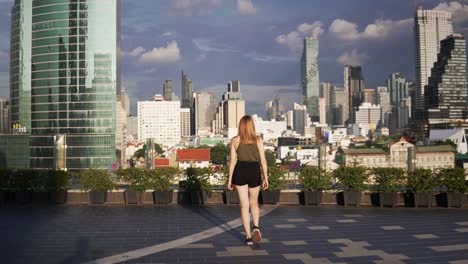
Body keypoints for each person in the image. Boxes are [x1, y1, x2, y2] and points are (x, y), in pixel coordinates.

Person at [228, 115, 269, 246]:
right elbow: (263, 160)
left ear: (241, 126)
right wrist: (265, 177)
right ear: (252, 126)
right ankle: (256, 227)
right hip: (254, 170)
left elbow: (233, 162)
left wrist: (230, 179)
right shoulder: (258, 140)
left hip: (240, 171)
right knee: (254, 203)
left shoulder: (235, 140)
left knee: (244, 206)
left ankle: (248, 236)